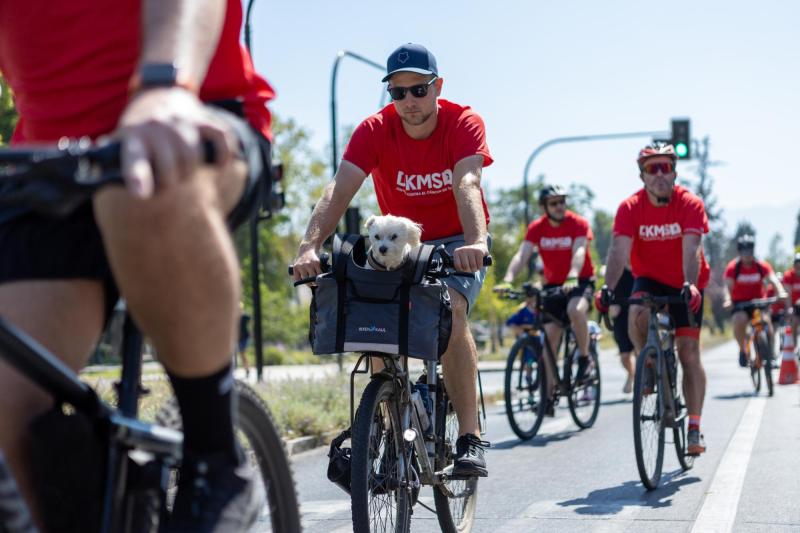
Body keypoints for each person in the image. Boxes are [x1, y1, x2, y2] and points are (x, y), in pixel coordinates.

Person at [0, 1, 274, 531]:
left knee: (144, 179)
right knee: (11, 422)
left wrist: (164, 83)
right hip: (48, 164)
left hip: (188, 118)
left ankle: (216, 459)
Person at [291, 43, 493, 477]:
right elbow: (338, 189)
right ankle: (387, 420)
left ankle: (470, 438)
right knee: (371, 314)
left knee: (450, 311)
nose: (409, 102)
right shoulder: (375, 129)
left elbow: (468, 182)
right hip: (399, 244)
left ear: (437, 87)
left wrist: (475, 241)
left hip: (455, 241)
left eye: (419, 90)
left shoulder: (463, 122)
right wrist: (309, 247)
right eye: (398, 93)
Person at [600, 143, 709, 456]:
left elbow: (692, 249)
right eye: (652, 168)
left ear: (674, 170)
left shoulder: (689, 203)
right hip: (649, 278)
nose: (660, 174)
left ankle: (694, 427)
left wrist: (689, 284)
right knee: (637, 311)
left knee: (688, 353)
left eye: (665, 167)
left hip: (687, 281)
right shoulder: (629, 207)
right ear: (642, 175)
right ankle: (648, 358)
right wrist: (607, 288)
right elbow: (619, 251)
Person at [500, 185, 596, 406]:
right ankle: (548, 394)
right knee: (549, 341)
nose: (560, 206)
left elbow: (580, 250)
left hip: (579, 281)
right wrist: (507, 278)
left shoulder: (578, 223)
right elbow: (522, 255)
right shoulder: (537, 227)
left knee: (575, 310)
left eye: (562, 201)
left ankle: (584, 357)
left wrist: (572, 275)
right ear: (544, 207)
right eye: (554, 203)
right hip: (553, 286)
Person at [721, 234, 787, 367]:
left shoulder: (761, 266)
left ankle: (770, 355)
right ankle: (743, 349)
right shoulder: (733, 268)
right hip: (740, 304)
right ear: (739, 252)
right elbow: (727, 287)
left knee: (767, 324)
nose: (747, 255)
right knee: (739, 321)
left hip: (759, 303)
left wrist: (780, 292)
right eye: (744, 251)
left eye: (750, 251)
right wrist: (728, 299)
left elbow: (773, 280)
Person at [610, 266, 636, 394]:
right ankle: (632, 375)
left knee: (639, 349)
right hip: (620, 313)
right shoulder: (615, 264)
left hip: (638, 308)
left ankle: (642, 378)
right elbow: (607, 287)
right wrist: (610, 304)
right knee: (625, 356)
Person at [781, 253, 800, 349]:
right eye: (797, 265)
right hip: (793, 305)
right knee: (794, 322)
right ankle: (793, 347)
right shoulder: (788, 275)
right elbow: (788, 294)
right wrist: (789, 308)